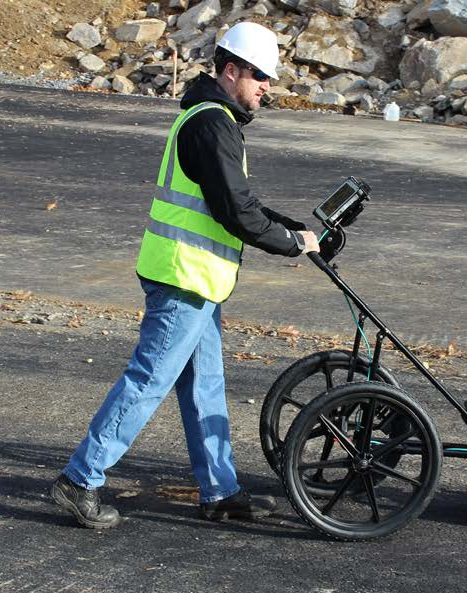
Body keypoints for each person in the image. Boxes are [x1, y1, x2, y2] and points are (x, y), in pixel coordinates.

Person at [49, 22, 320, 529]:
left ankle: (220, 492)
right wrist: (289, 245)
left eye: (270, 77)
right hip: (182, 279)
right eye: (260, 75)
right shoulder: (211, 124)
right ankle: (80, 479)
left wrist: (294, 228)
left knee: (205, 386)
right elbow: (235, 213)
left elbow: (240, 201)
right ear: (231, 69)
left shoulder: (215, 121)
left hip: (198, 280)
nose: (268, 85)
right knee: (150, 379)